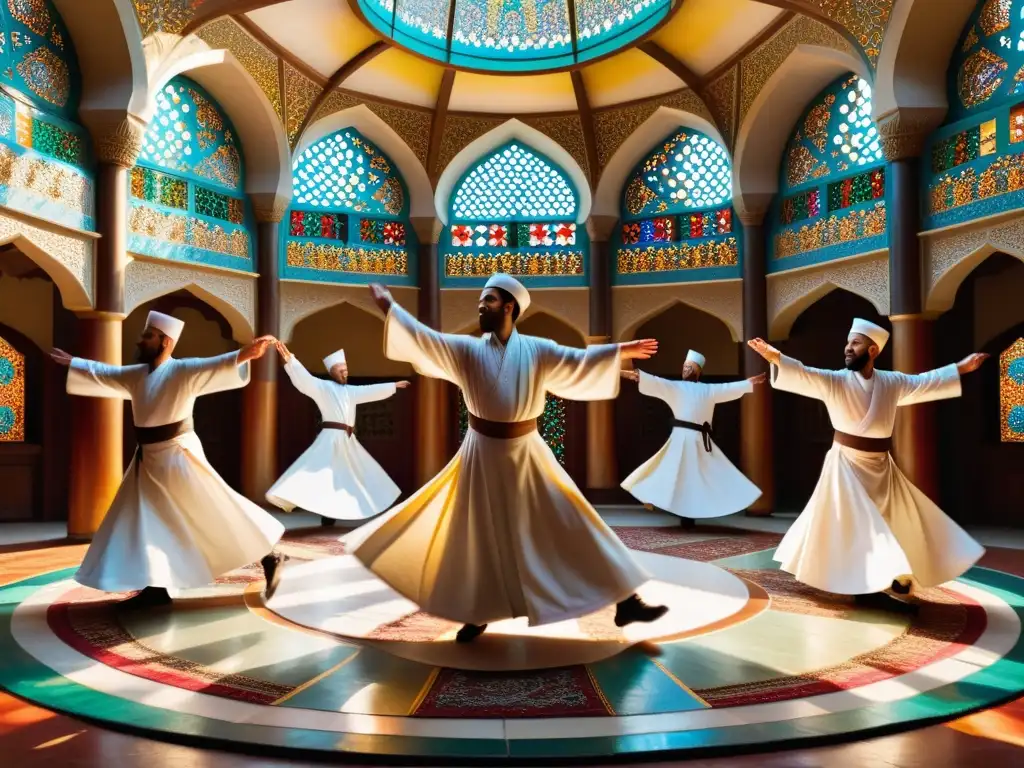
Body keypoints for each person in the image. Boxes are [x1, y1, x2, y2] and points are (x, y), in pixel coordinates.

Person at [342, 274, 667, 642]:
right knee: (476, 537)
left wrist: (619, 349)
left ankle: (627, 600)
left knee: (574, 520)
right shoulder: (465, 350)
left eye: (490, 300)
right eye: (481, 300)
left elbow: (577, 359)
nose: (481, 306)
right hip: (480, 454)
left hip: (529, 452)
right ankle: (476, 612)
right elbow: (425, 339)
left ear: (509, 306)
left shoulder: (539, 349)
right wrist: (388, 305)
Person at [747, 319, 988, 613]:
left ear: (873, 350)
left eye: (856, 343)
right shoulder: (834, 381)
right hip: (846, 465)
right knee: (861, 526)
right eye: (848, 343)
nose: (848, 348)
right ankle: (866, 584)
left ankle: (894, 574)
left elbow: (925, 381)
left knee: (897, 522)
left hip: (881, 466)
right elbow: (804, 374)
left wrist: (961, 368)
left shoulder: (893, 382)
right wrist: (775, 357)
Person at [50, 311, 286, 610]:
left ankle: (269, 554)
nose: (141, 339)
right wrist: (75, 363)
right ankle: (156, 587)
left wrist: (245, 354)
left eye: (148, 335)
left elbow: (217, 364)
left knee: (214, 509)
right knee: (146, 522)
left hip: (178, 454)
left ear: (166, 341)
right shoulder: (136, 375)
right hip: (147, 460)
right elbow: (106, 374)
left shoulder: (184, 371)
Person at [266, 343, 410, 526]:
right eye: (340, 370)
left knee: (360, 472)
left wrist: (394, 385)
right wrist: (291, 360)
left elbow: (369, 390)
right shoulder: (322, 387)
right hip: (330, 439)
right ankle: (317, 510)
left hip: (348, 441)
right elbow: (305, 380)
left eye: (346, 369)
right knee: (318, 474)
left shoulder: (351, 391)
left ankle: (351, 509)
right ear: (332, 372)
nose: (344, 373)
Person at [620, 350, 765, 523]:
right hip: (680, 439)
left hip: (701, 442)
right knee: (667, 473)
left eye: (690, 367)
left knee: (710, 476)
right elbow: (647, 379)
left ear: (698, 371)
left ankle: (695, 513)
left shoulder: (708, 389)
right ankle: (673, 509)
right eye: (684, 367)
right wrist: (623, 373)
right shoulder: (674, 387)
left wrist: (748, 383)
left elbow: (728, 388)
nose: (686, 370)